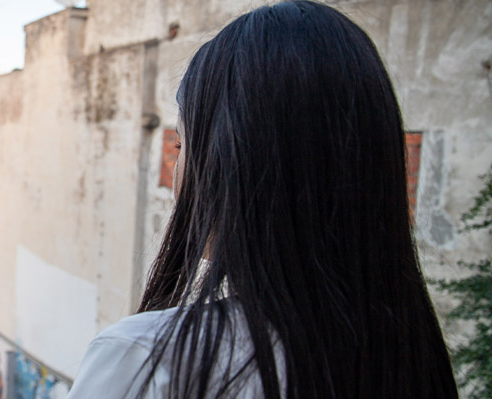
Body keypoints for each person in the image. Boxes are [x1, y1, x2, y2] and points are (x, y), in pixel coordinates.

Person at [66, 1, 458, 398]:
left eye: (183, 143)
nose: (177, 176)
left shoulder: (144, 359)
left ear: (236, 164)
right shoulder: (410, 356)